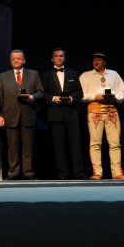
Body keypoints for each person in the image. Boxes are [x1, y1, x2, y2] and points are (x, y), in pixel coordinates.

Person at [79, 52, 124, 181]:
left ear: (104, 62)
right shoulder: (85, 75)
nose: (96, 62)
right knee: (95, 143)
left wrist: (115, 97)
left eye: (99, 60)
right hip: (95, 110)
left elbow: (122, 90)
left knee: (115, 143)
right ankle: (97, 172)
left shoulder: (113, 74)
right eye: (94, 60)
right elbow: (82, 94)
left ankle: (117, 172)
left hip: (111, 110)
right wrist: (95, 96)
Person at [0, 50, 44, 180]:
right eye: (13, 58)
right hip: (10, 116)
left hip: (28, 115)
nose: (15, 60)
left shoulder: (33, 74)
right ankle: (13, 173)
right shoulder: (3, 76)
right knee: (12, 148)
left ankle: (28, 173)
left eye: (18, 58)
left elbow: (41, 92)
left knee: (28, 147)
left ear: (24, 60)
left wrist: (32, 97)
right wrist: (0, 115)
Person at [41, 48, 85, 180]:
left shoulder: (73, 73)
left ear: (64, 58)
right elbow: (42, 94)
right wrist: (54, 98)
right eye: (56, 56)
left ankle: (79, 174)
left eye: (61, 56)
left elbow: (79, 92)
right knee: (58, 146)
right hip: (55, 114)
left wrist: (71, 98)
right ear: (52, 59)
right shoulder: (45, 75)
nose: (59, 58)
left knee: (76, 145)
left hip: (71, 114)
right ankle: (62, 175)